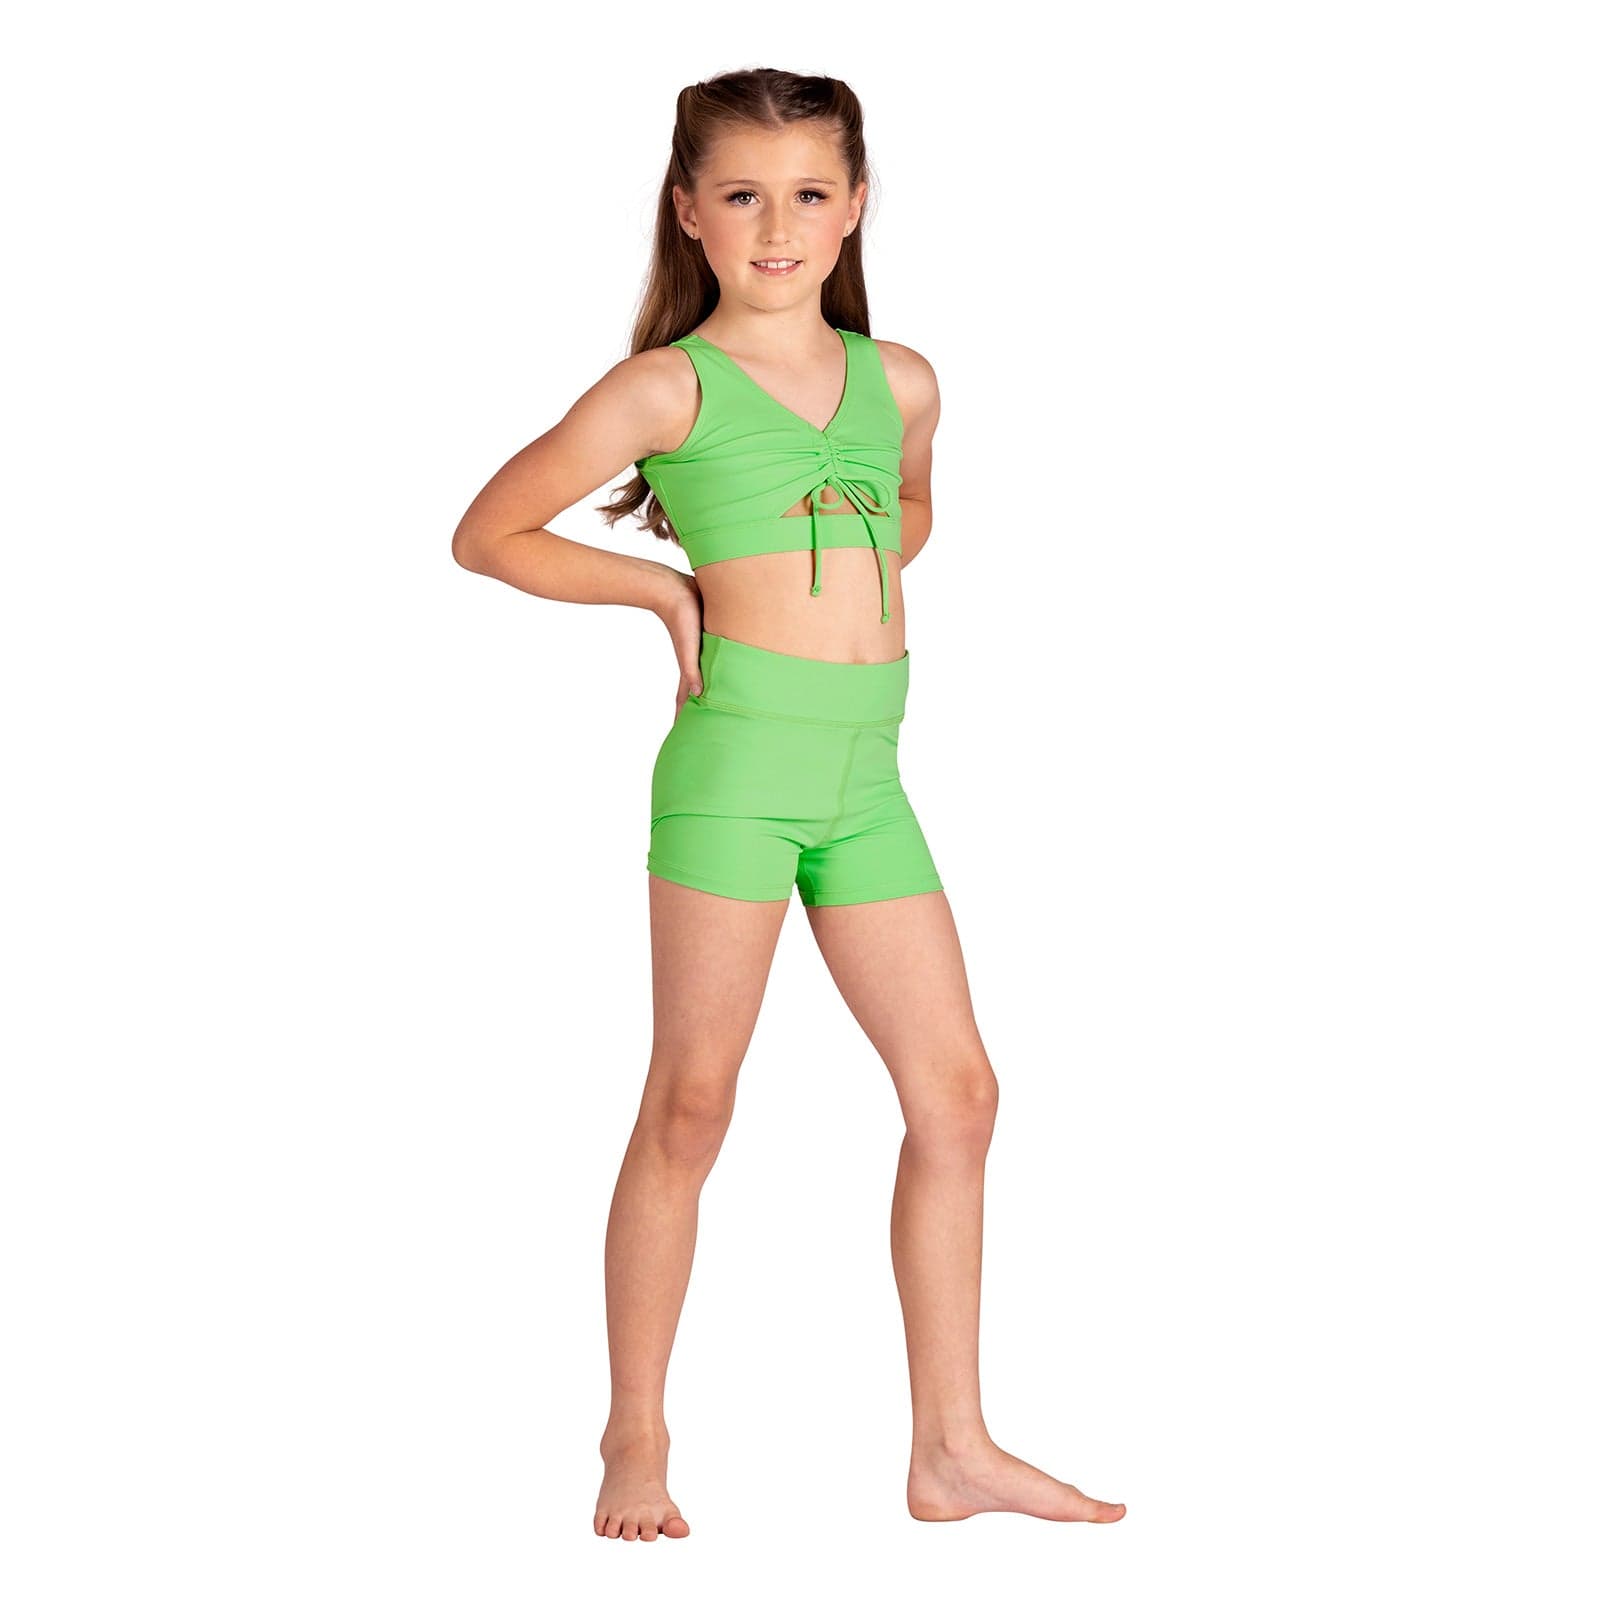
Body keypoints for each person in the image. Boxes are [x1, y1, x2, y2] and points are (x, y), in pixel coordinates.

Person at [452, 67, 1126, 1543]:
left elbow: (913, 504)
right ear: (688, 211)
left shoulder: (904, 381)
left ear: (856, 206)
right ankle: (635, 1435)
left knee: (959, 1096)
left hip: (868, 772)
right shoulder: (667, 388)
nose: (778, 226)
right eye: (743, 195)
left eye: (810, 193)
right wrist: (667, 591)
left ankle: (951, 1449)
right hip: (737, 772)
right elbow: (487, 533)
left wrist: (847, 579)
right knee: (693, 1101)